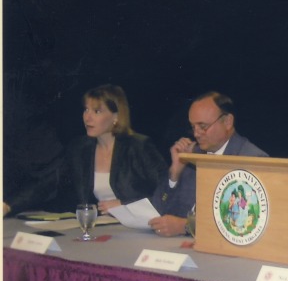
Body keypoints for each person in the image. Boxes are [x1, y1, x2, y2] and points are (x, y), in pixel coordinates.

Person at [149, 91, 268, 237]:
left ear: (227, 122)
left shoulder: (253, 159)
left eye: (203, 126)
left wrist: (186, 226)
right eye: (193, 127)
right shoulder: (191, 156)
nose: (197, 134)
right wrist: (175, 173)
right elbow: (157, 211)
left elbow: (247, 222)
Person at [65, 84, 166, 214]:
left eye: (96, 111)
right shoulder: (80, 148)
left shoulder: (139, 146)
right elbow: (53, 188)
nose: (87, 117)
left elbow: (166, 193)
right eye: (86, 109)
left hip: (140, 226)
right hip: (102, 225)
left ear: (116, 116)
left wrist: (124, 204)